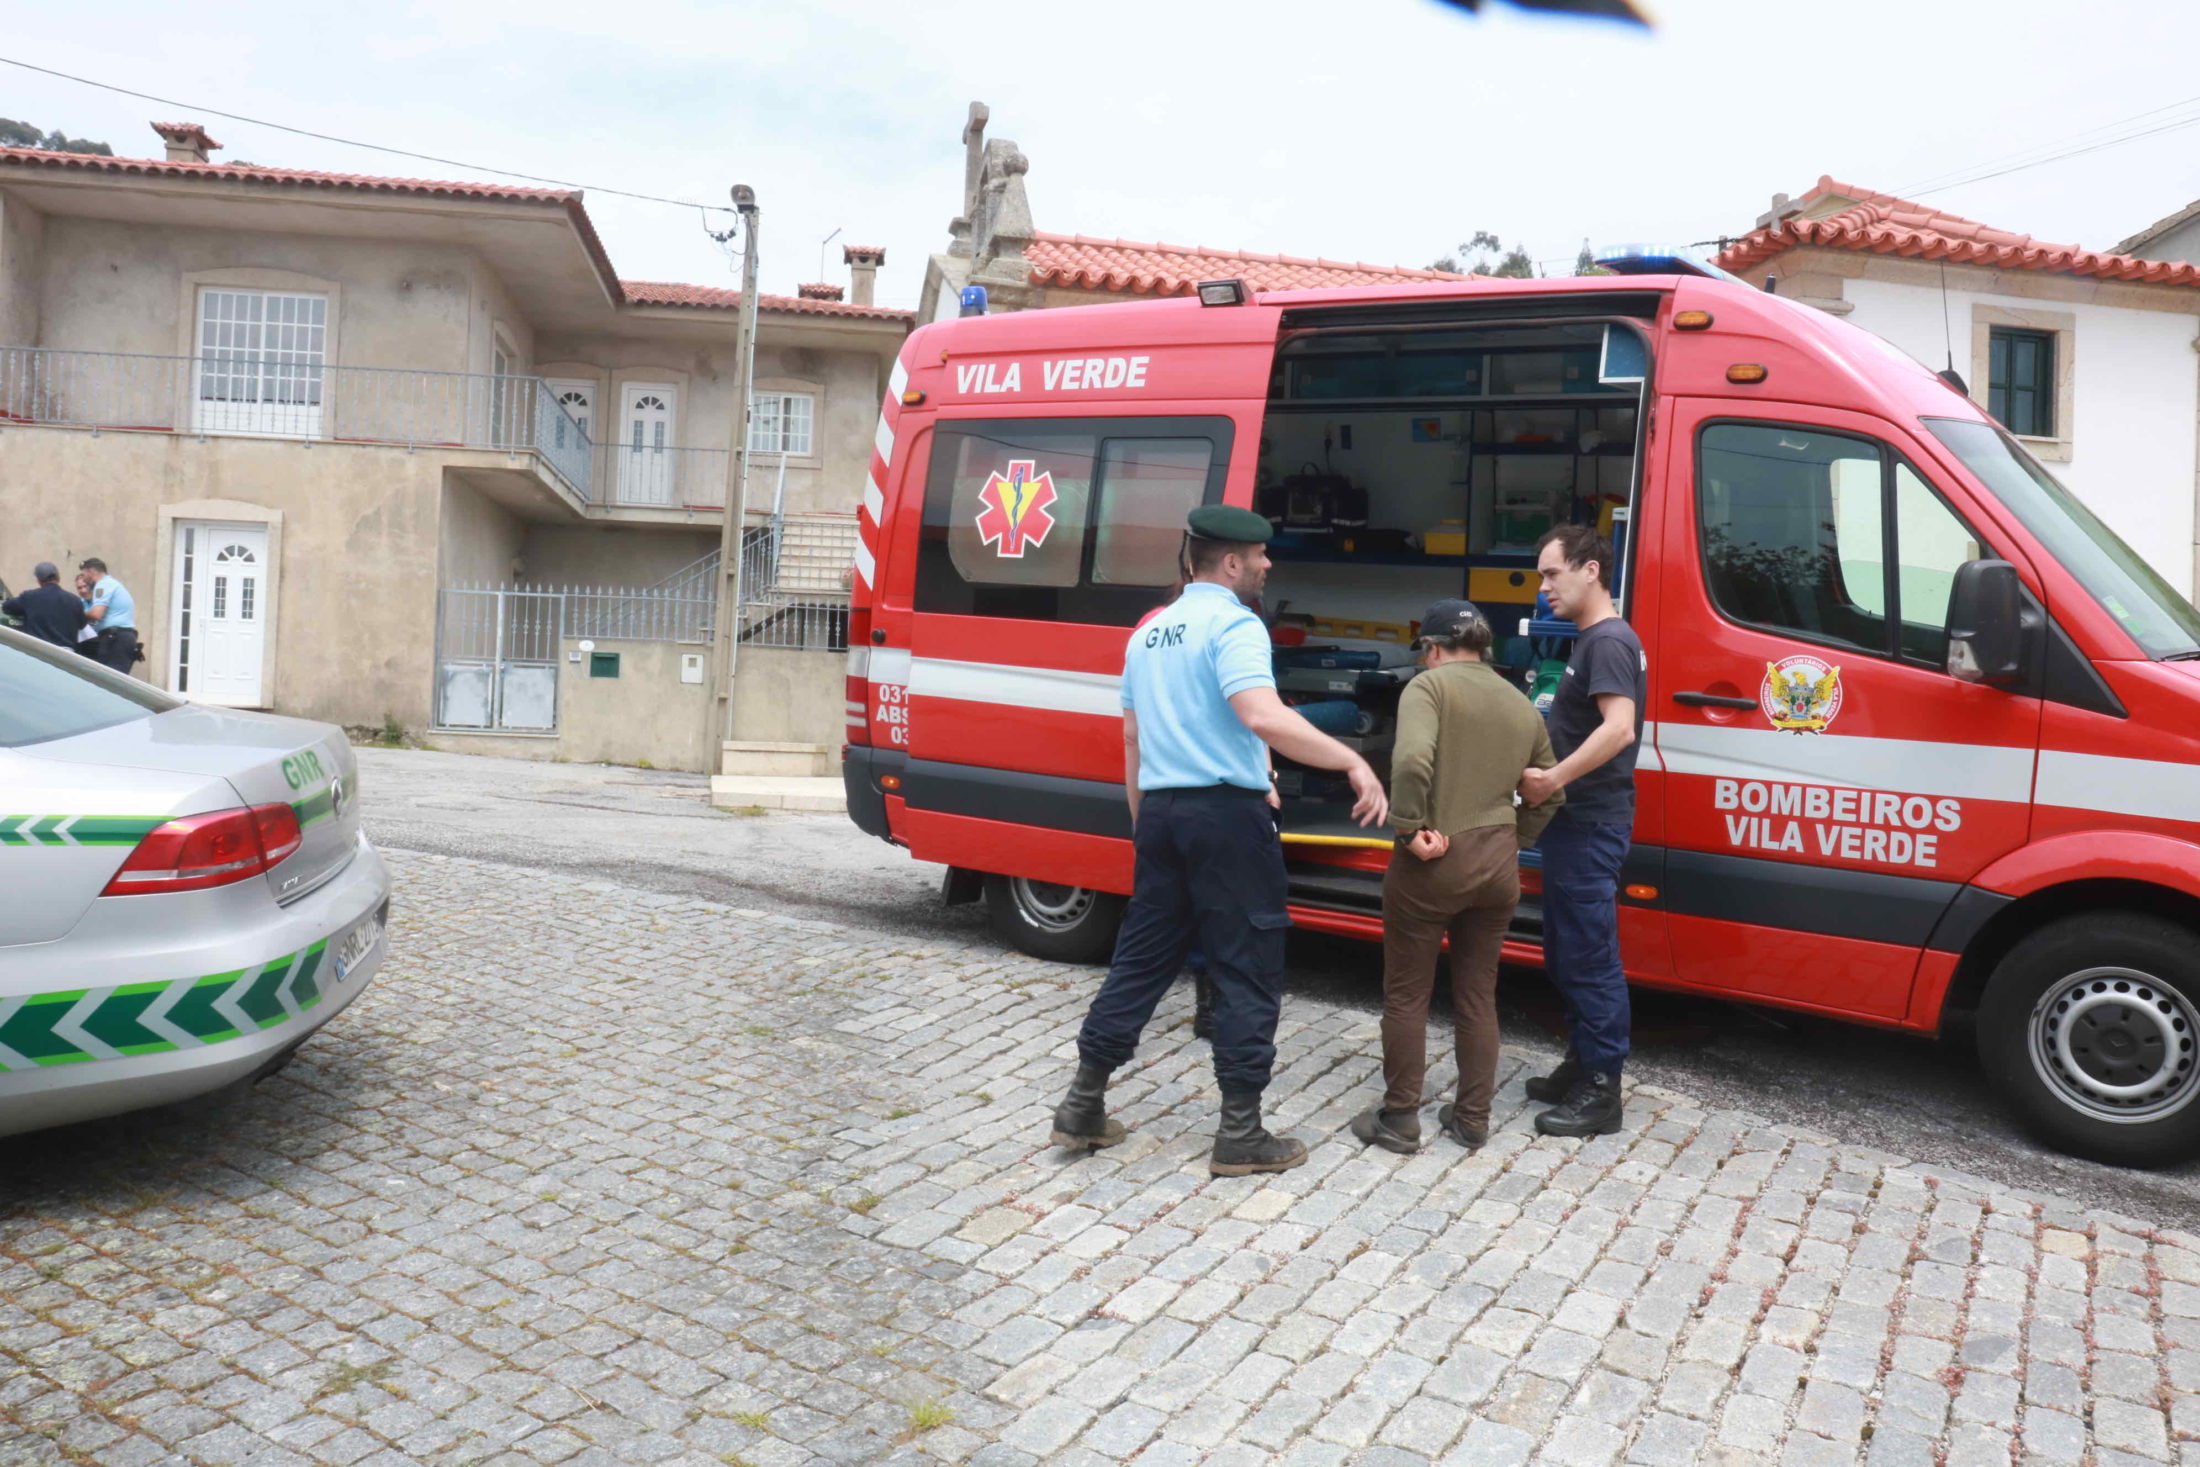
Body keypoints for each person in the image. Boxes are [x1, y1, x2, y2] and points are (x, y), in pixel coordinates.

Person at [1049, 504, 1389, 1176]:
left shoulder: (1148, 634)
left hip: (1164, 813)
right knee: (1246, 964)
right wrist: (1351, 761)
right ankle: (1240, 1132)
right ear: (1231, 562)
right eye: (1260, 557)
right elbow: (1261, 714)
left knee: (1141, 963)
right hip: (1227, 819)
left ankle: (1082, 1102)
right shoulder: (1235, 624)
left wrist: (1145, 820)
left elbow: (1131, 739)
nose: (1267, 566)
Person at [1351, 600, 1564, 1154]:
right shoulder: (1519, 702)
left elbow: (1411, 763)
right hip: (1498, 866)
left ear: (1435, 649)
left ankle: (1399, 1118)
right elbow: (1549, 791)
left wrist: (1407, 828)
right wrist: (1512, 839)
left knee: (1406, 995)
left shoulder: (1430, 688)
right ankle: (1472, 1117)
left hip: (1434, 860)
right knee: (1477, 994)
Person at [1517, 525, 1646, 1138]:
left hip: (1590, 822)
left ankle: (1602, 1090)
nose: (1544, 587)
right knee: (1567, 951)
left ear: (1590, 570)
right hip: (1574, 823)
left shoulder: (1610, 642)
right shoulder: (1591, 641)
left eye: (1551, 573)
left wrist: (1552, 779)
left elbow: (1618, 729)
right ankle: (1581, 1063)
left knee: (1590, 956)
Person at [2, 563, 90, 650]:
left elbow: (6, 607)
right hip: (66, 654)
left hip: (38, 651)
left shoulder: (30, 597)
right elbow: (82, 625)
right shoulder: (75, 600)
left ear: (39, 580)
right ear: (58, 578)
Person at [77, 558, 140, 675]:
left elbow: (96, 614)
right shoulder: (111, 583)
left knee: (110, 678)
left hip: (116, 638)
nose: (84, 578)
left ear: (91, 572)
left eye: (84, 574)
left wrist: (77, 613)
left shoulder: (102, 585)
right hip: (121, 636)